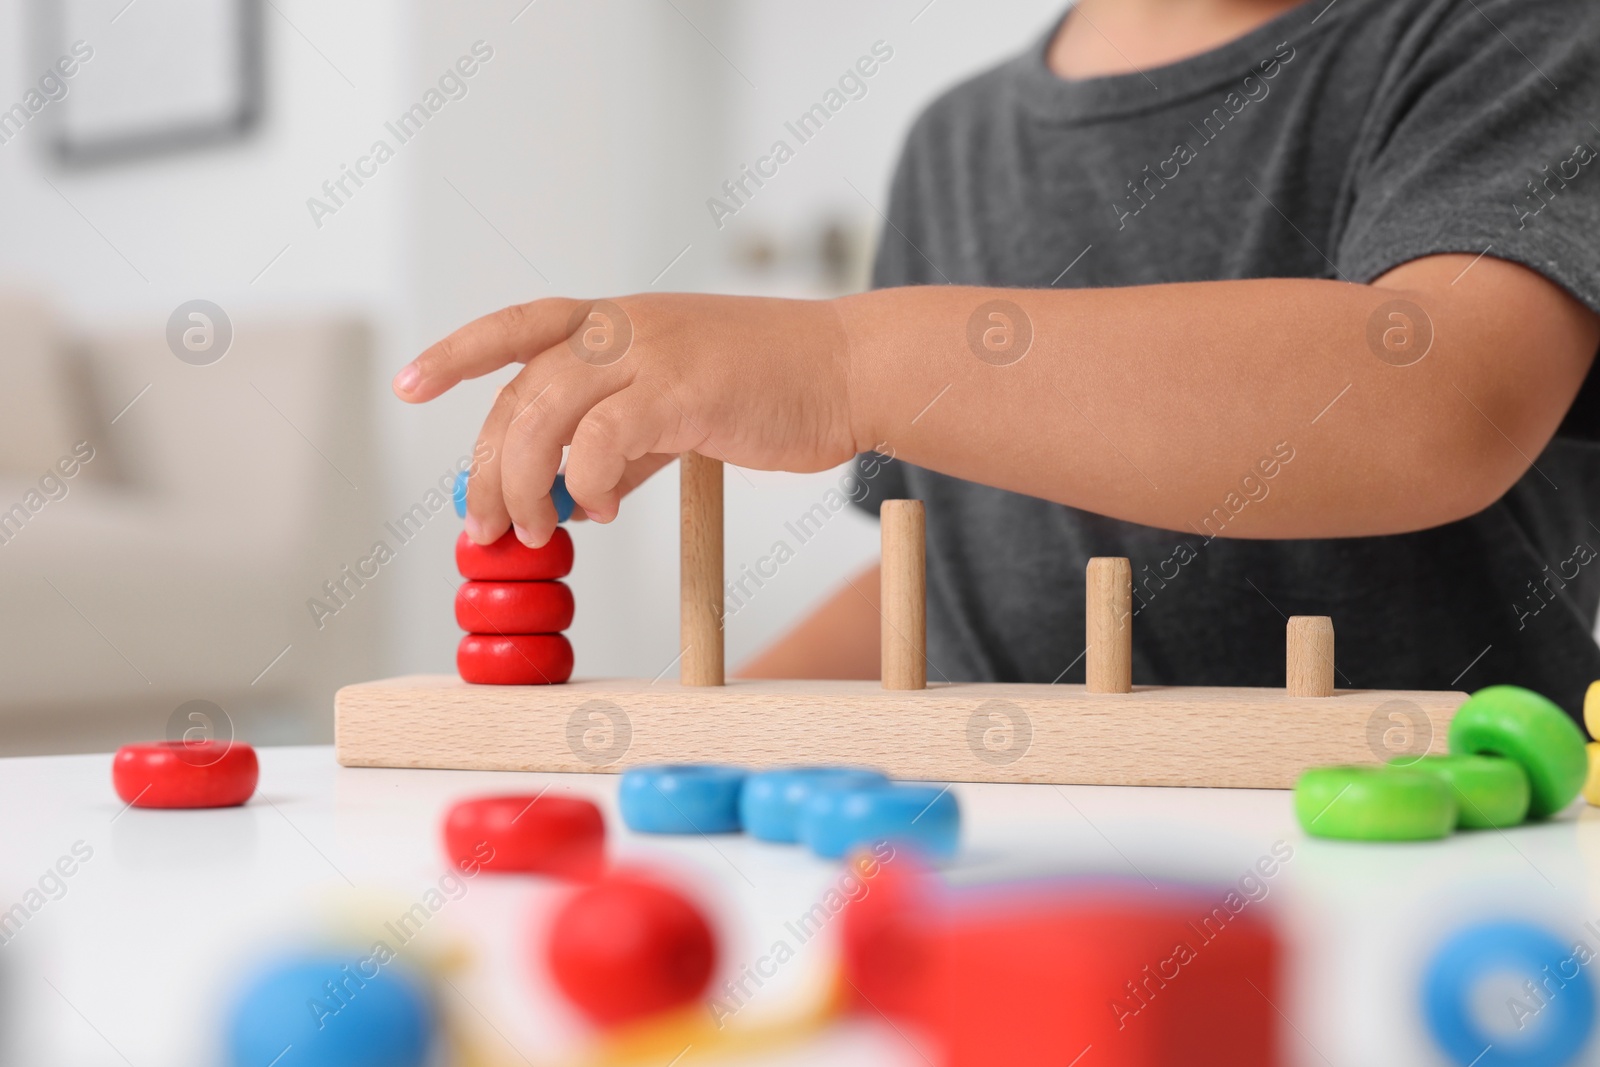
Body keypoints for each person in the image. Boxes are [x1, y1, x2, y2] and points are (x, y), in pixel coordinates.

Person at [394, 0, 1600, 724]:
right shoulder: (953, 142)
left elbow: (1435, 400)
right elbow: (950, 574)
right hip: (1009, 853)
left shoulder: (1517, 38)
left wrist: (842, 358)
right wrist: (702, 729)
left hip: (1426, 859)